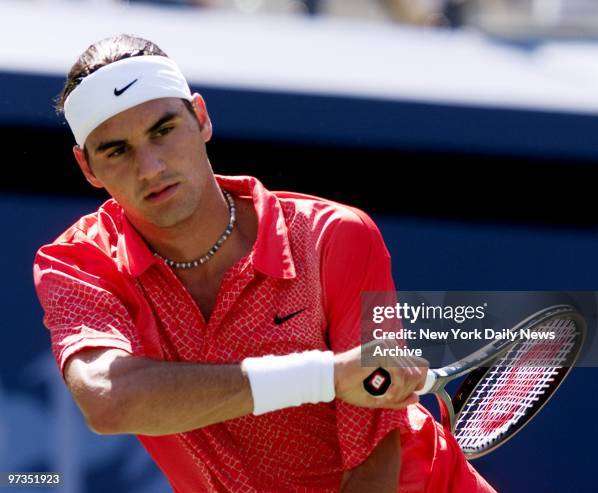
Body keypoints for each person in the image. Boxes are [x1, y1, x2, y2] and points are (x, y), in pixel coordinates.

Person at [33, 35, 496, 492]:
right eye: (118, 150)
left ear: (200, 118)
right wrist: (326, 376)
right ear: (87, 167)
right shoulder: (78, 264)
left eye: (163, 130)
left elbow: (376, 464)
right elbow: (108, 400)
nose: (150, 167)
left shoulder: (333, 236)